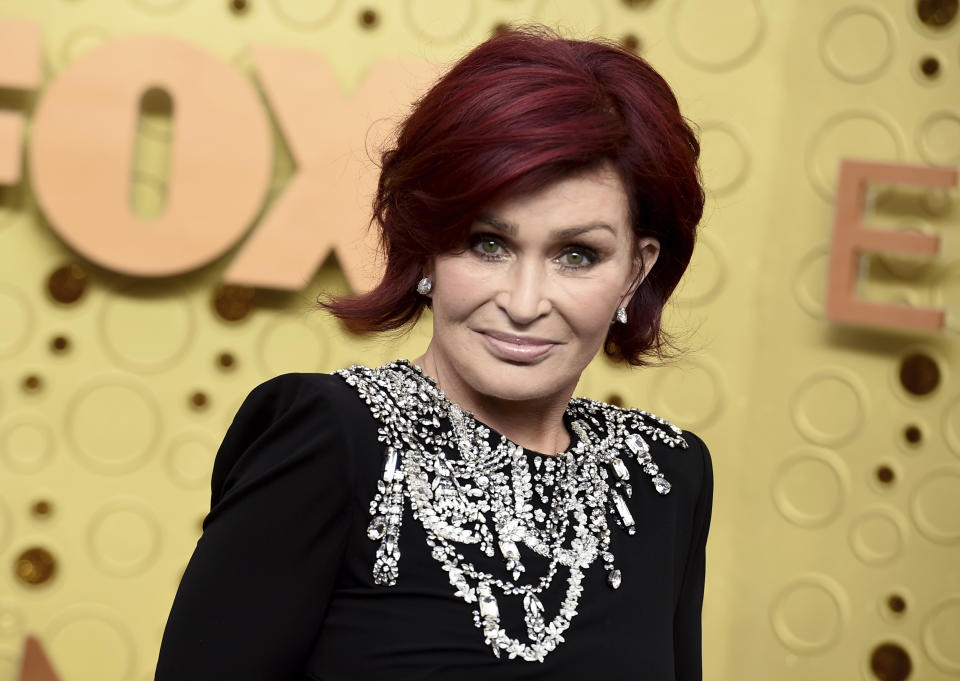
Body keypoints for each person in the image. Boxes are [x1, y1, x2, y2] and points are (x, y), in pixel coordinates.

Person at [154, 25, 712, 681]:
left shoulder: (665, 476)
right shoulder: (330, 438)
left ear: (635, 271)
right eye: (487, 243)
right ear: (424, 244)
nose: (525, 300)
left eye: (576, 254)